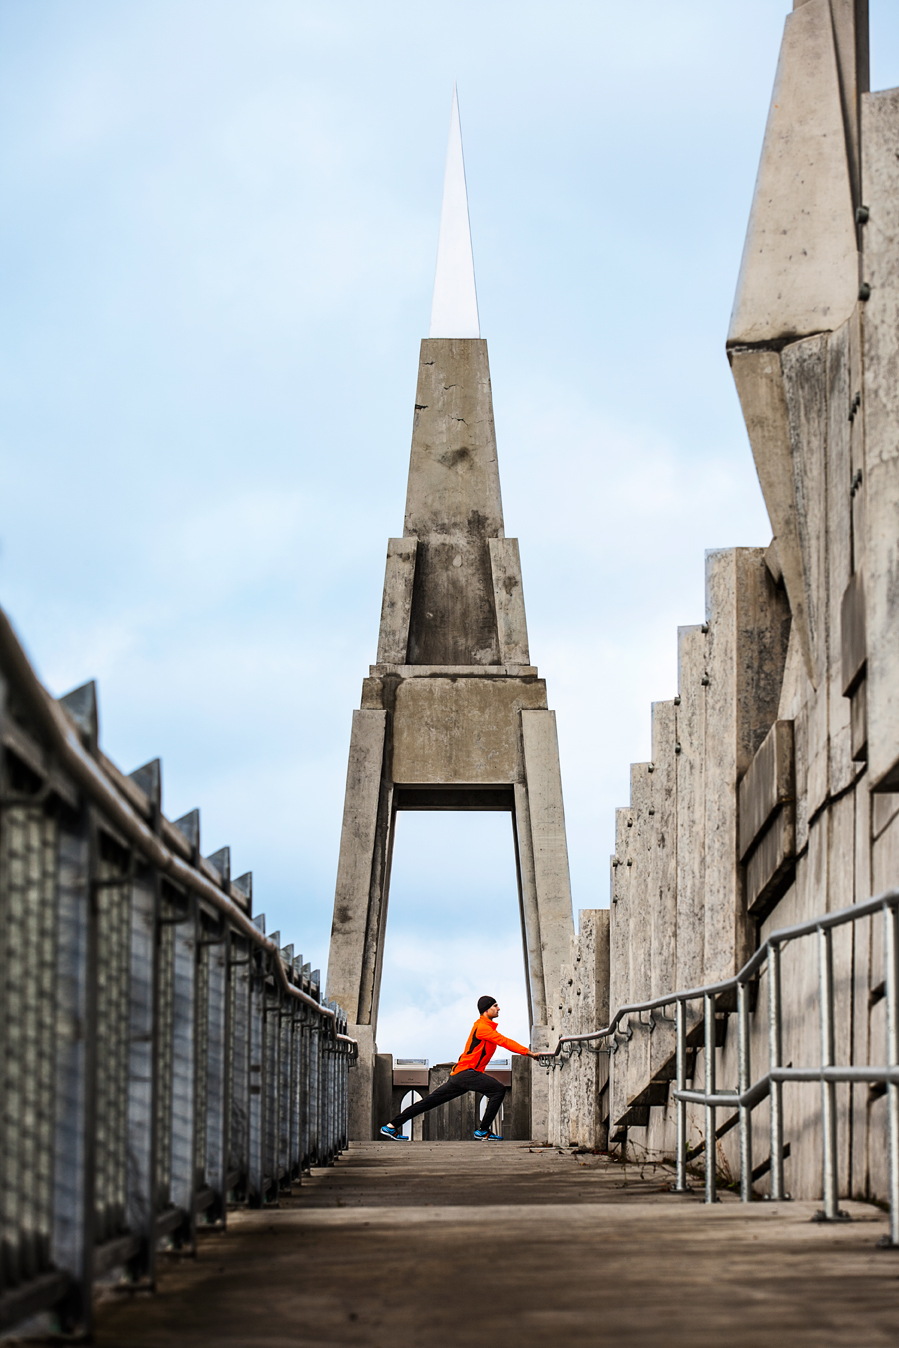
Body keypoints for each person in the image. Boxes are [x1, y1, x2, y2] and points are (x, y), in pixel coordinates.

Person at [380, 995, 538, 1142]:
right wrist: (529, 1053)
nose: (498, 1008)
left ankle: (391, 1126)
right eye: (495, 1006)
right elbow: (505, 1042)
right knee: (498, 1090)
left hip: (461, 1074)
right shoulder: (483, 1028)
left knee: (428, 1102)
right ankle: (483, 1130)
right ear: (486, 1009)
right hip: (467, 1073)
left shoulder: (486, 1027)